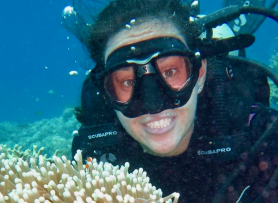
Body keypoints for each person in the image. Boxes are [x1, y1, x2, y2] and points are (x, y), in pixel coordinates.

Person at [71, 0, 278, 202]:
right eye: (127, 81)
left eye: (170, 72)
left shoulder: (260, 136)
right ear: (107, 94)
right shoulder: (95, 154)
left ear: (200, 74)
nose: (154, 106)